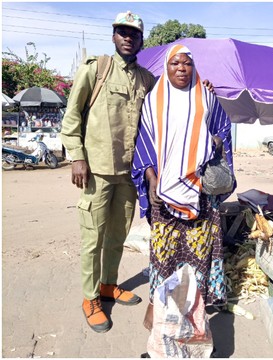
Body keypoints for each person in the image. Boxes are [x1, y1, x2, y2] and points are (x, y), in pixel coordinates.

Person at [61, 11, 156, 333]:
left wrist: (204, 85)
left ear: (142, 40)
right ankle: (90, 298)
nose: (128, 37)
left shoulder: (147, 80)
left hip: (130, 174)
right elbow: (72, 117)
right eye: (122, 31)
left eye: (134, 33)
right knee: (92, 239)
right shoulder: (96, 70)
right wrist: (77, 157)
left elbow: (167, 106)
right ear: (114, 35)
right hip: (97, 170)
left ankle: (108, 285)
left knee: (117, 236)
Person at [130, 44, 235, 335]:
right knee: (164, 256)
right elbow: (143, 143)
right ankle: (159, 318)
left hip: (201, 195)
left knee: (198, 261)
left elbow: (224, 132)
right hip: (163, 195)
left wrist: (213, 146)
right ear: (167, 66)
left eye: (187, 64)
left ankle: (193, 326)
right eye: (175, 63)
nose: (181, 68)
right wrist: (151, 176)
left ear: (194, 67)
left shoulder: (207, 99)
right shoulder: (152, 102)